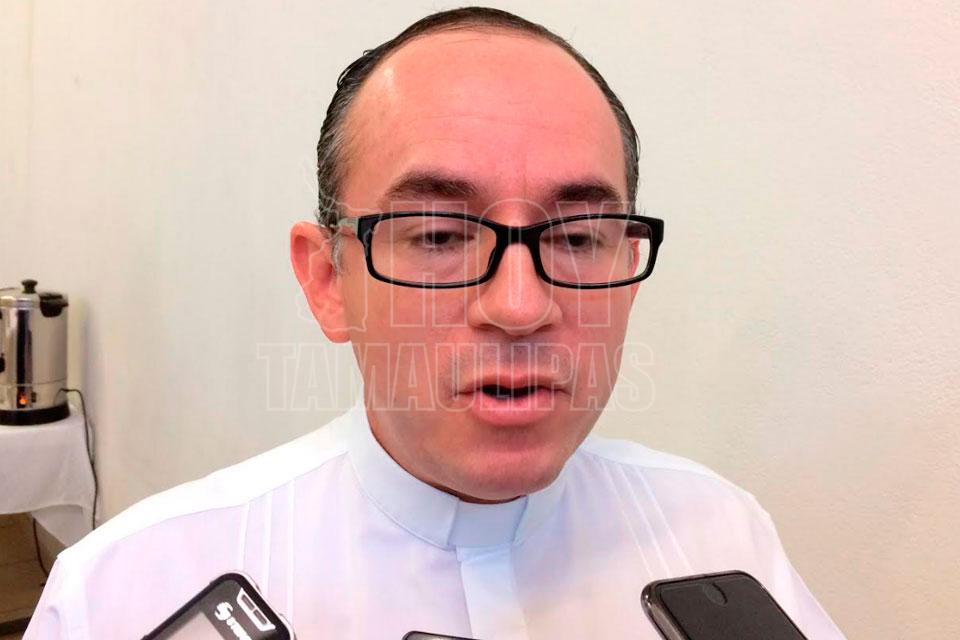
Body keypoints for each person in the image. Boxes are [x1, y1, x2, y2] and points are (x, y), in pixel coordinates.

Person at [25, 7, 845, 639]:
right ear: (327, 280)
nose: (520, 306)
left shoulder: (722, 536)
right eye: (440, 235)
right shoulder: (124, 591)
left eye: (578, 237)